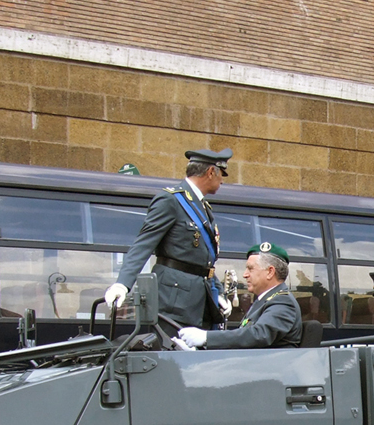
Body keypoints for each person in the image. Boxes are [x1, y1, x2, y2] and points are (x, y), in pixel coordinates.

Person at [104, 148, 233, 328]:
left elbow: (201, 261)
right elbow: (143, 245)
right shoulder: (170, 200)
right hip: (175, 303)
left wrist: (217, 292)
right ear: (211, 172)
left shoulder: (203, 207)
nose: (222, 180)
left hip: (200, 300)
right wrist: (123, 284)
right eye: (222, 174)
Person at [178, 242, 302, 349]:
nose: (245, 274)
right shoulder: (265, 300)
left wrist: (206, 338)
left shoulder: (283, 302)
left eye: (250, 269)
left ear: (270, 272)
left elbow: (258, 335)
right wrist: (200, 351)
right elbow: (243, 339)